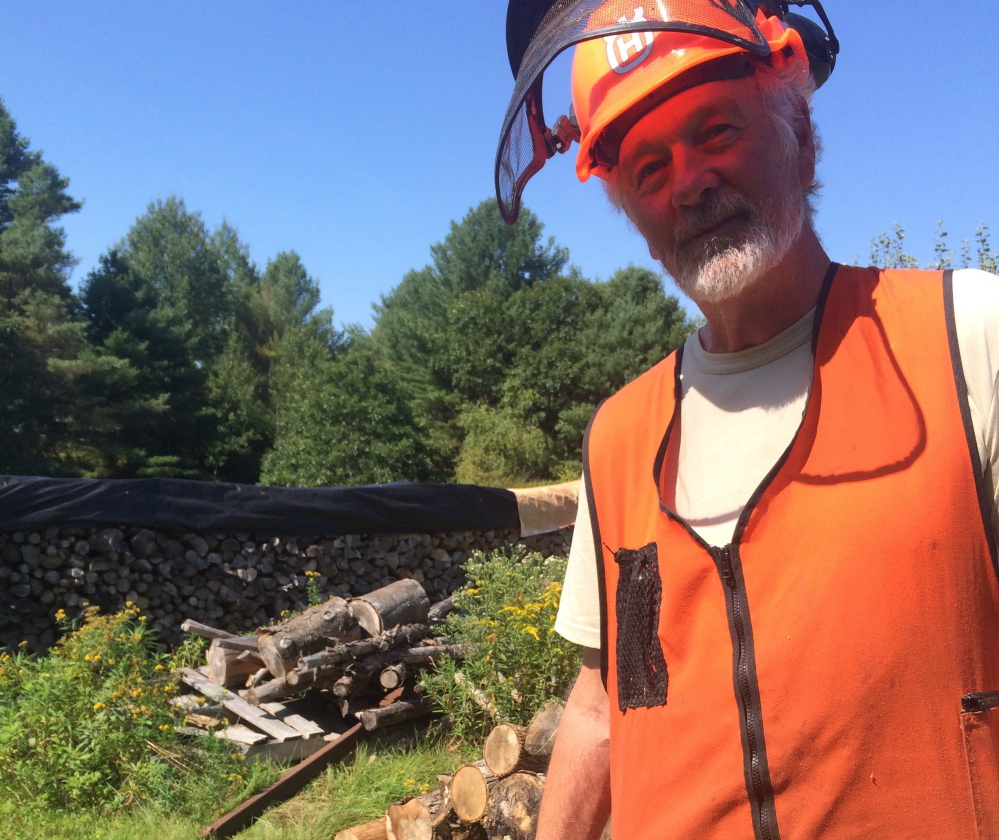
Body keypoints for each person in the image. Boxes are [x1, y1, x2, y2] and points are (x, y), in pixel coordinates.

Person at [493, 2, 999, 838]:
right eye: (648, 167)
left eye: (717, 130)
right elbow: (600, 701)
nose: (687, 180)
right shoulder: (620, 435)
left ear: (800, 138)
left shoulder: (964, 338)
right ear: (633, 216)